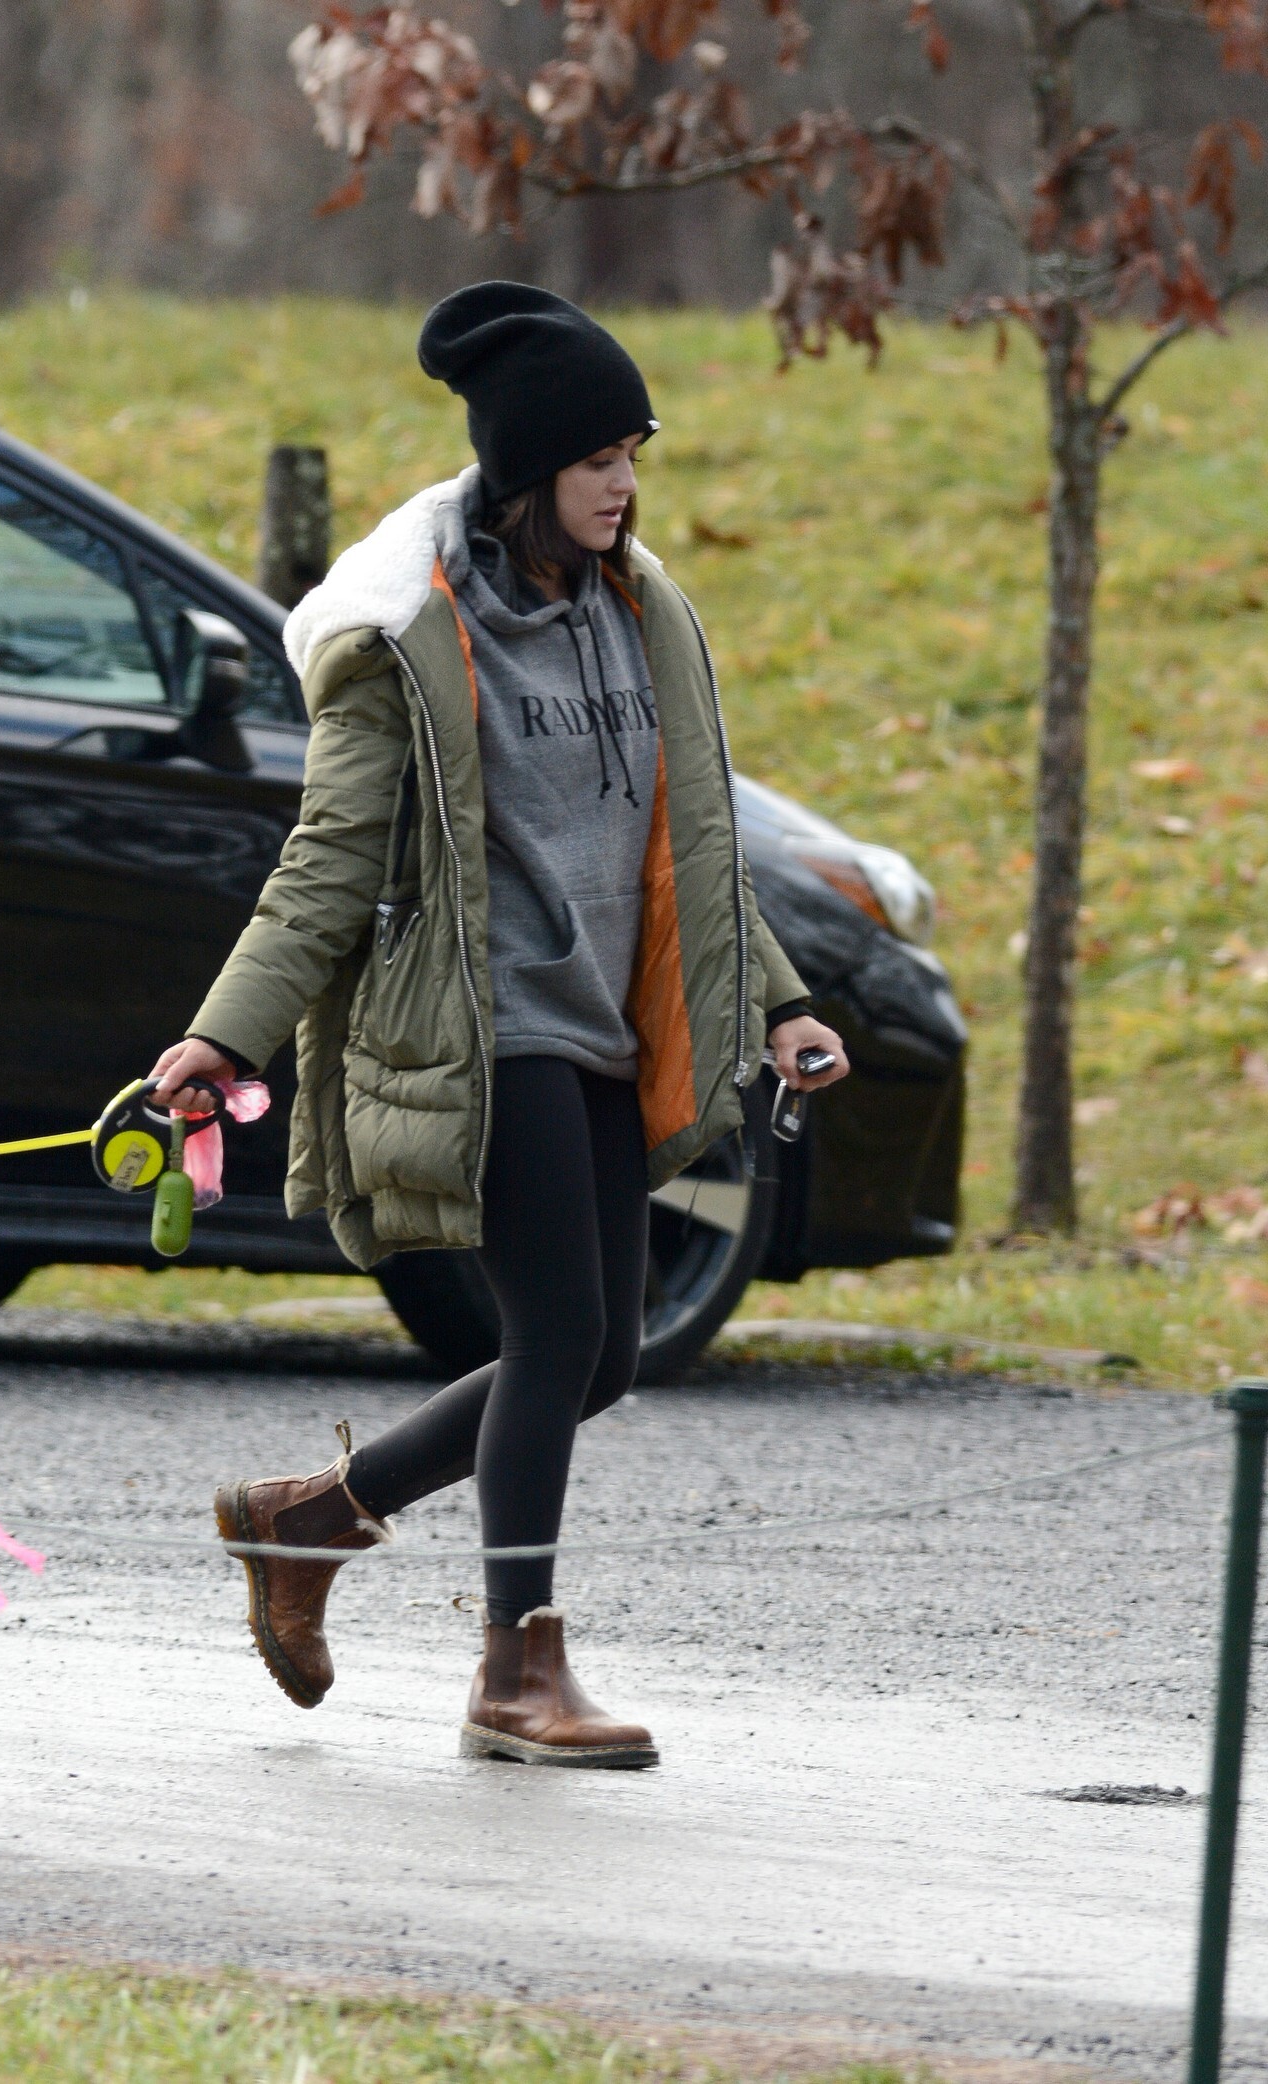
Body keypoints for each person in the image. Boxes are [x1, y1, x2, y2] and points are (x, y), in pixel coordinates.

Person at [151, 281, 848, 1770]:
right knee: (559, 1334)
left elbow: (689, 841)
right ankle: (514, 1672)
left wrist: (781, 1001)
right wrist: (227, 1037)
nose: (626, 483)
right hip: (491, 1026)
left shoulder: (643, 611)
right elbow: (329, 860)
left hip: (607, 1021)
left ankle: (310, 1518)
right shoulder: (406, 640)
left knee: (606, 1361)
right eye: (600, 458)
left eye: (635, 453)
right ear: (530, 467)